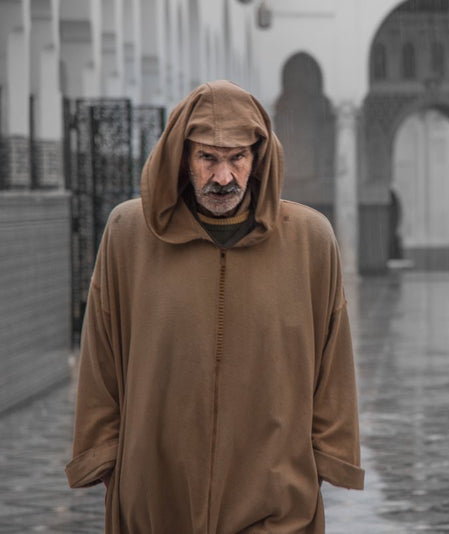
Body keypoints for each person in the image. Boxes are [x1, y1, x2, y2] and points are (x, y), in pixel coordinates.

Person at [65, 80, 364, 533]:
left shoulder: (309, 240)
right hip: (156, 494)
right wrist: (105, 457)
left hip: (275, 497)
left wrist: (325, 459)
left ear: (258, 158)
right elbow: (101, 355)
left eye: (237, 158)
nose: (223, 178)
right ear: (182, 158)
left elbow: (332, 359)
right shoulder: (130, 234)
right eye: (208, 158)